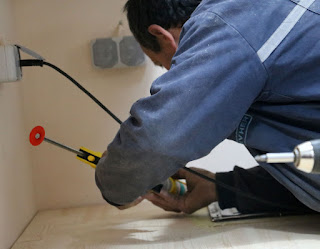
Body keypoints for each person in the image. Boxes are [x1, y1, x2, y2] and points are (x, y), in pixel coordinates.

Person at [95, 0, 320, 214]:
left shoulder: (229, 23)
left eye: (160, 63)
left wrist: (117, 179)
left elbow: (157, 142)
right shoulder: (267, 20)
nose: (170, 72)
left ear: (161, 36)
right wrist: (222, 187)